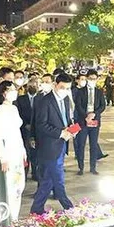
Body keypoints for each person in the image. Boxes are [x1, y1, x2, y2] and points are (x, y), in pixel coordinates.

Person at [30, 73, 75, 215]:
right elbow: (41, 125)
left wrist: (73, 129)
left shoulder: (66, 100)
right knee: (58, 179)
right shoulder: (44, 101)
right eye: (62, 87)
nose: (65, 91)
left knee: (47, 181)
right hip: (49, 147)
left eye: (68, 88)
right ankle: (69, 208)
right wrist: (61, 133)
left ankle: (36, 209)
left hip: (61, 145)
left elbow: (67, 120)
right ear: (55, 85)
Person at [0, 82, 27, 223]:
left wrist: (23, 150)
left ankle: (14, 215)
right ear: (3, 93)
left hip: (16, 148)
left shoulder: (14, 108)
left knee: (18, 185)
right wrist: (3, 158)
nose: (14, 92)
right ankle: (5, 217)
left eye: (15, 89)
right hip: (6, 151)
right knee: (8, 184)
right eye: (11, 90)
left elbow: (17, 132)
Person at [73, 69, 106, 175]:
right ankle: (81, 167)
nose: (92, 80)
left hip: (95, 121)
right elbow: (78, 105)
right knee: (81, 145)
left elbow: (102, 106)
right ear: (87, 78)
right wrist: (86, 116)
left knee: (93, 145)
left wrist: (94, 114)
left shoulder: (99, 92)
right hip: (82, 121)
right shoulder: (80, 91)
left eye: (94, 79)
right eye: (90, 78)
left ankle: (93, 167)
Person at [30, 73, 54, 181]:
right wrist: (32, 136)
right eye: (43, 82)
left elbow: (70, 118)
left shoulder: (63, 97)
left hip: (58, 137)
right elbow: (34, 118)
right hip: (42, 137)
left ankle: (57, 192)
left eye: (47, 82)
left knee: (56, 167)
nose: (45, 84)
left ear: (53, 83)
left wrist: (73, 131)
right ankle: (41, 190)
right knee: (41, 166)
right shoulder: (38, 97)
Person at [17, 79, 38, 180]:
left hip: (37, 130)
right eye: (30, 85)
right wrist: (25, 124)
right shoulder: (20, 99)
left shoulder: (41, 98)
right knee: (25, 153)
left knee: (35, 153)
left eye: (35, 85)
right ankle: (24, 174)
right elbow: (18, 113)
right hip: (24, 130)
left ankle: (35, 173)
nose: (32, 87)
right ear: (27, 87)